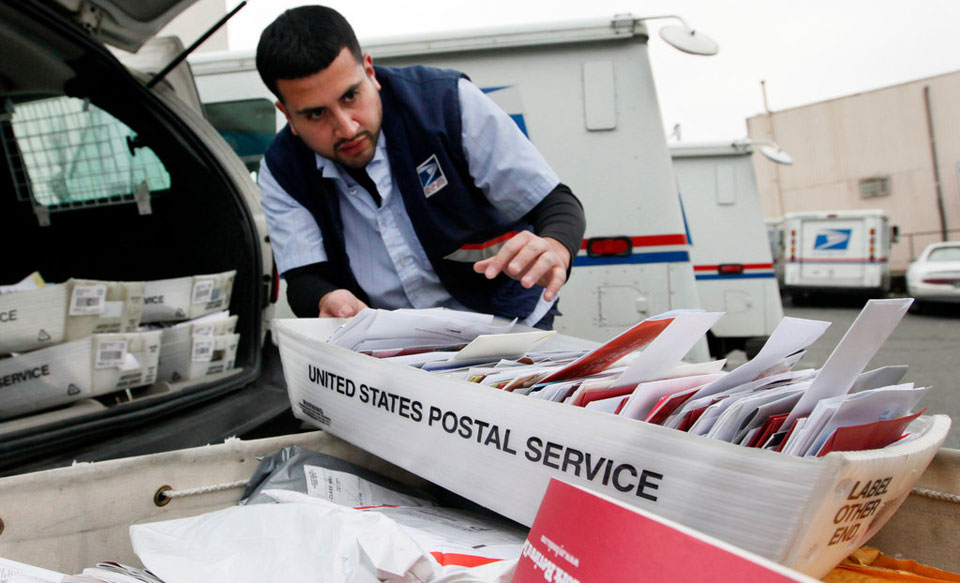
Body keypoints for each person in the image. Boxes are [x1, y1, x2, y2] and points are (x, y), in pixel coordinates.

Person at [255, 5, 586, 329]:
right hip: (392, 346)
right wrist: (327, 298)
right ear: (287, 115)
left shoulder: (447, 103)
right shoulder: (281, 170)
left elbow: (556, 204)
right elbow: (303, 279)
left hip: (507, 323)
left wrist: (556, 246)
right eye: (316, 114)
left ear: (370, 71)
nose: (347, 127)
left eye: (351, 96)